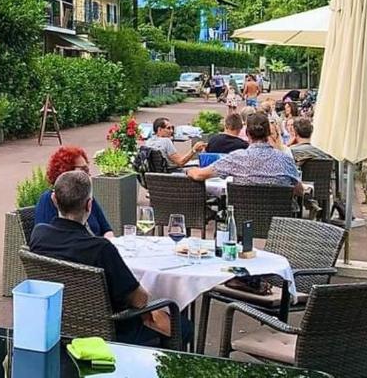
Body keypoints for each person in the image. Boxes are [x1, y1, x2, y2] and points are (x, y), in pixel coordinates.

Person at [29, 170, 189, 346]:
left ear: (54, 200)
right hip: (111, 332)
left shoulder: (39, 235)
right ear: (89, 205)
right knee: (183, 327)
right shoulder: (101, 249)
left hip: (57, 323)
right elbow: (139, 300)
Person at [186, 113, 304, 195]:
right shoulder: (285, 159)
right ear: (268, 133)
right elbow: (299, 191)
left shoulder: (235, 158)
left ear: (247, 133)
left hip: (243, 223)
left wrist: (190, 170)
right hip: (279, 225)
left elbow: (199, 175)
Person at [34, 146, 113, 237]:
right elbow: (47, 240)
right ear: (67, 171)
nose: (89, 175)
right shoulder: (49, 200)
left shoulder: (86, 196)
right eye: (84, 170)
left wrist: (108, 241)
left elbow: (107, 229)